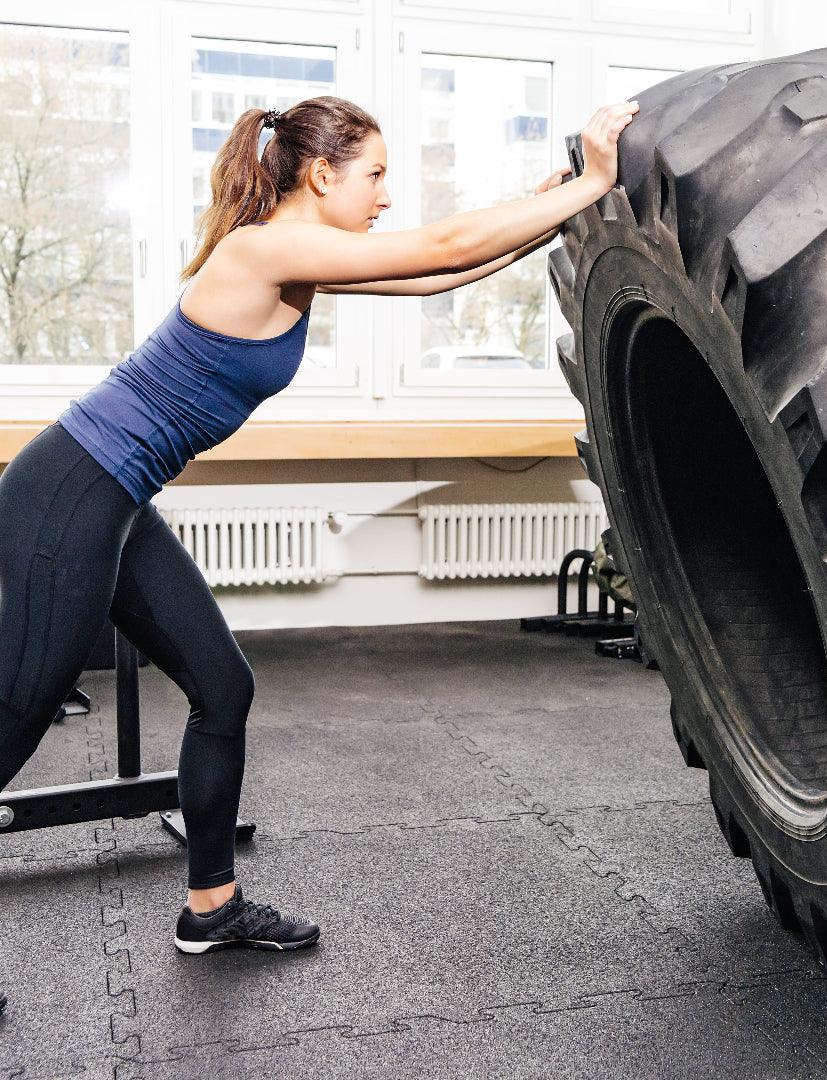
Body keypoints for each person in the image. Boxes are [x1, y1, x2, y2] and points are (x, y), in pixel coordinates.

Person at [0, 93, 638, 1006]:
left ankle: (211, 910)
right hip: (69, 491)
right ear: (321, 173)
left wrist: (559, 207)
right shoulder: (265, 247)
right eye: (374, 175)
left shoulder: (300, 258)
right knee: (15, 717)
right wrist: (597, 181)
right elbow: (441, 246)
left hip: (115, 495)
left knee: (223, 688)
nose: (385, 195)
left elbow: (432, 278)